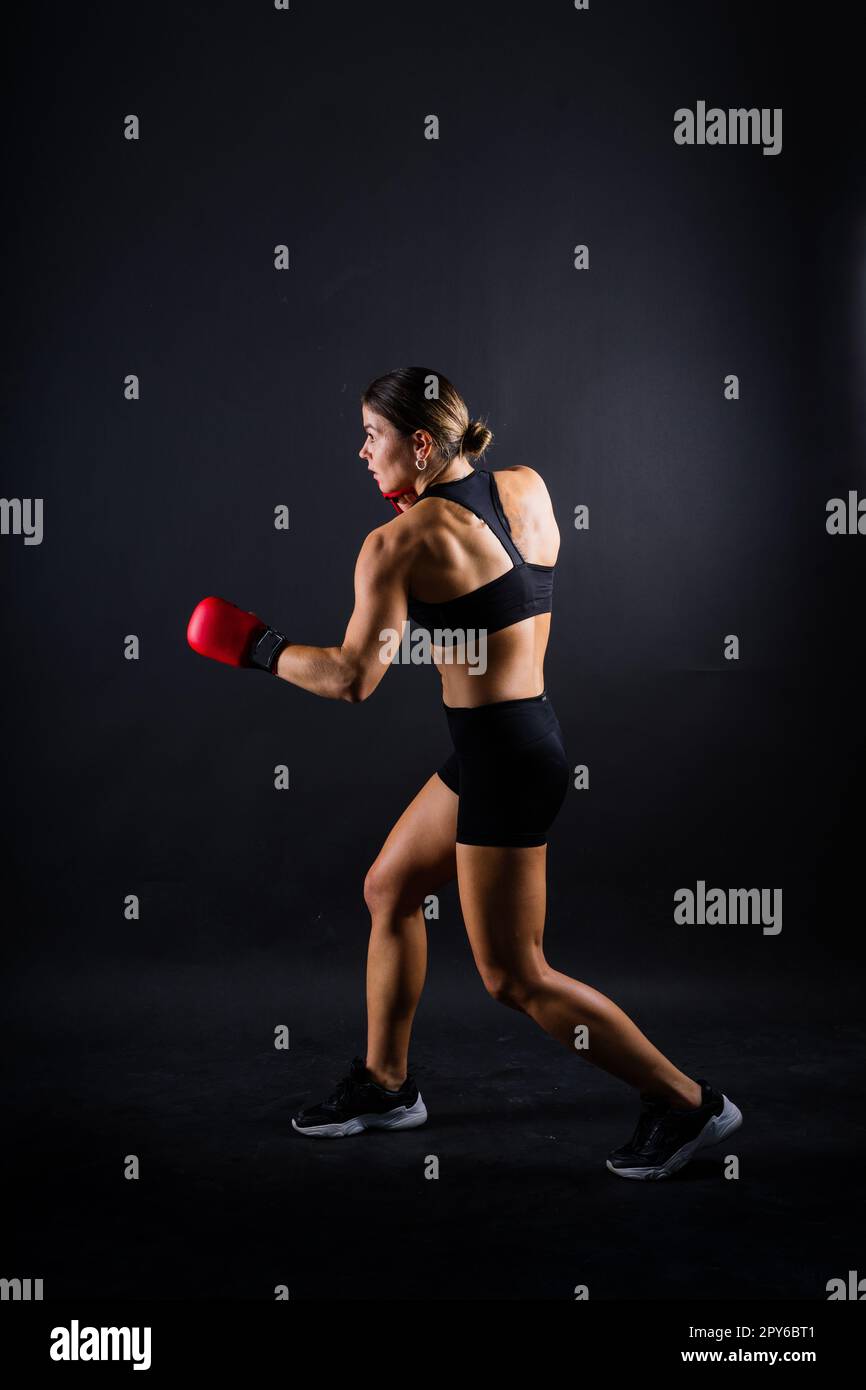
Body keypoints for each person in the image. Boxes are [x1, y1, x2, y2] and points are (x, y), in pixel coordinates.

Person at [186, 367, 742, 1180]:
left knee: (516, 976)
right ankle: (385, 1084)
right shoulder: (527, 487)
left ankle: (689, 1105)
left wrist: (257, 647)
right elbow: (503, 590)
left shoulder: (397, 545)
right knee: (389, 889)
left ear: (417, 443)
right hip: (517, 739)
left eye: (373, 435)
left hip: (504, 765)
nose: (361, 452)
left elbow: (352, 678)